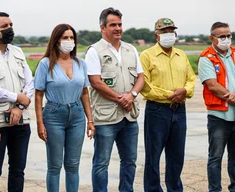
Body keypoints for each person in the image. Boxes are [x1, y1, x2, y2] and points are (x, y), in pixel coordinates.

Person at [85, 7, 144, 192]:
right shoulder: (94, 51)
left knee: (130, 161)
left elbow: (141, 77)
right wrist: (121, 98)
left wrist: (132, 95)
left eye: (119, 24)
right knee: (101, 163)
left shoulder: (131, 49)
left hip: (129, 117)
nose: (118, 28)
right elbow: (96, 82)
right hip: (106, 119)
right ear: (103, 28)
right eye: (113, 25)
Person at [34, 23, 95, 192]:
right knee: (54, 165)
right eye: (65, 38)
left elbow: (84, 93)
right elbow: (38, 95)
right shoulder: (46, 64)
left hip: (76, 114)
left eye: (71, 38)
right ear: (56, 41)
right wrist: (40, 123)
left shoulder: (80, 63)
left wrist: (90, 120)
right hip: (54, 115)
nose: (69, 41)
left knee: (73, 164)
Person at [140, 18, 196, 191]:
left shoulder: (181, 55)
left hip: (179, 111)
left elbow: (191, 79)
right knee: (153, 156)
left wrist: (185, 91)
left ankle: (174, 188)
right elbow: (146, 86)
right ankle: (153, 189)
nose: (168, 35)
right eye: (164, 32)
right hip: (157, 110)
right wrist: (171, 94)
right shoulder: (147, 55)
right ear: (157, 36)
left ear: (176, 34)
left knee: (176, 156)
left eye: (171, 31)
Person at [0, 12, 34, 192]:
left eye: (11, 25)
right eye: (4, 26)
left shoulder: (17, 51)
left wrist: (19, 106)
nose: (9, 29)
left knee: (18, 170)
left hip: (20, 120)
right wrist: (15, 98)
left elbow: (30, 83)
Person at [198, 22, 235, 192]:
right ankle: (215, 190)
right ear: (212, 38)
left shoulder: (234, 53)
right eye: (222, 36)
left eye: (228, 35)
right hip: (219, 116)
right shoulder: (206, 58)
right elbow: (212, 85)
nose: (226, 39)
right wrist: (231, 97)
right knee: (216, 157)